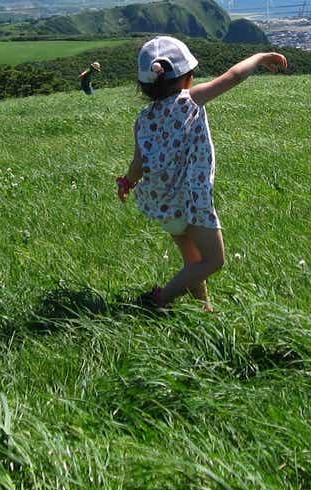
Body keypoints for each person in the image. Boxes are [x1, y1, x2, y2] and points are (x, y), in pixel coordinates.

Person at [116, 36, 288, 309]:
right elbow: (233, 76)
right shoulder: (191, 100)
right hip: (191, 200)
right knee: (213, 261)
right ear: (188, 77)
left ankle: (204, 307)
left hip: (163, 202)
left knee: (193, 262)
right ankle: (160, 299)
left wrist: (127, 182)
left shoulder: (143, 119)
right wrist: (260, 57)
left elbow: (139, 162)